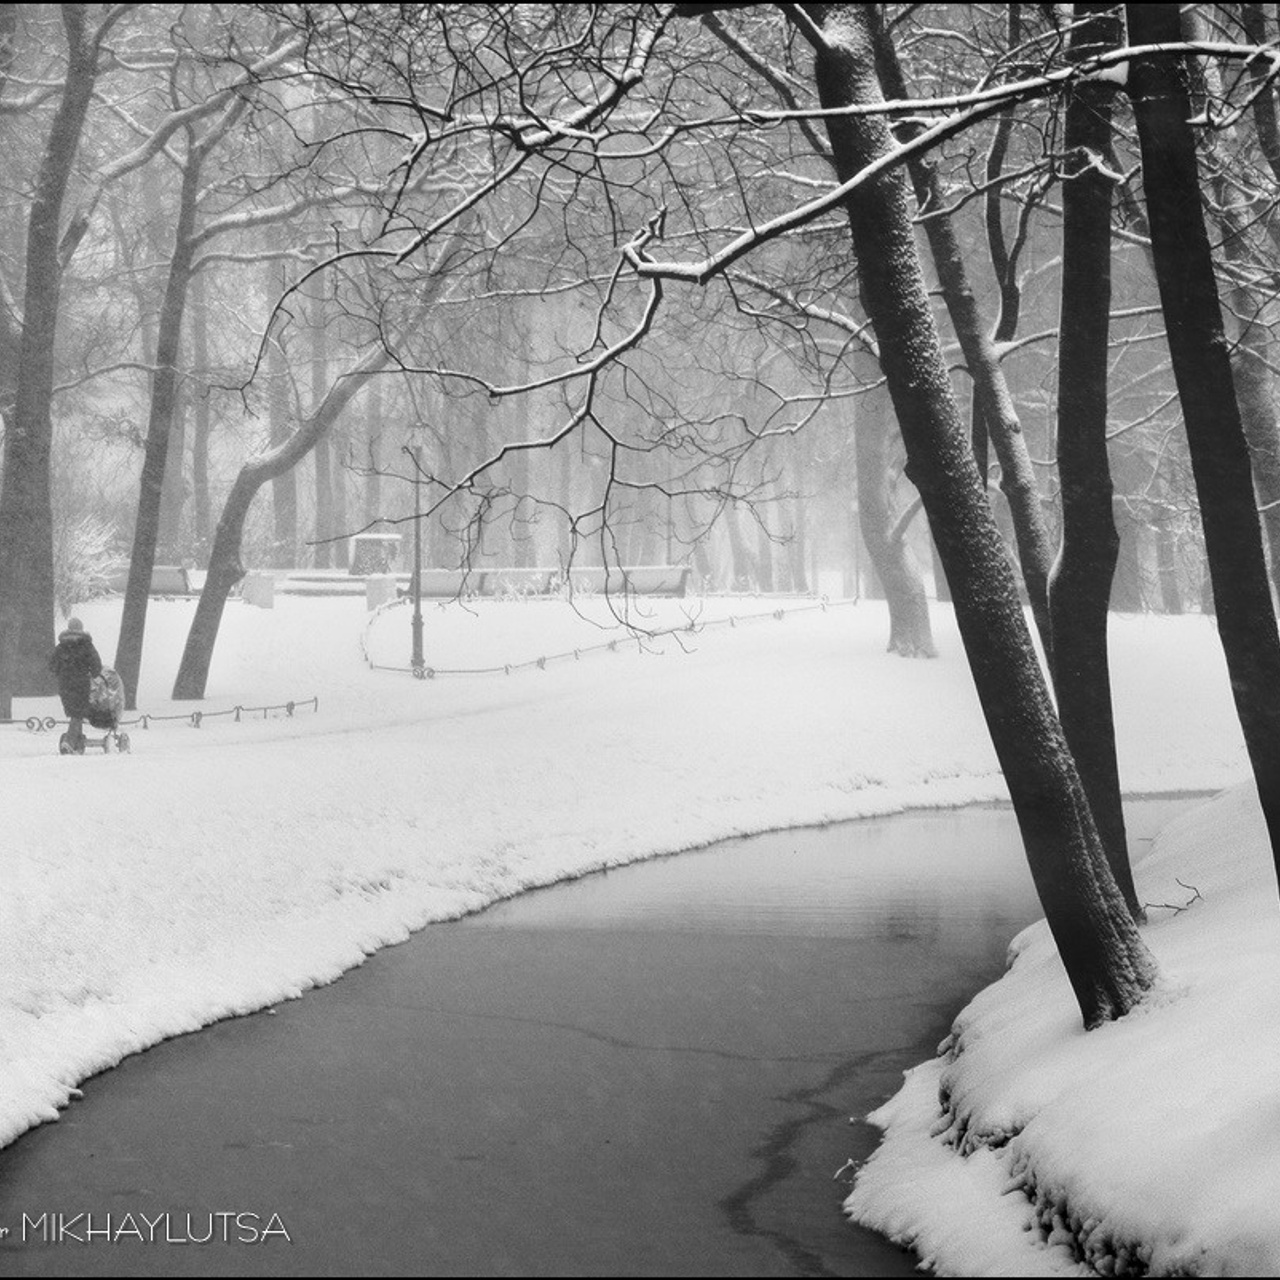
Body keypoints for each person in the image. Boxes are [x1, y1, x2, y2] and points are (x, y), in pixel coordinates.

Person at [49, 617, 103, 753]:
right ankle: (70, 741)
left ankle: (77, 742)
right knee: (78, 713)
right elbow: (96, 664)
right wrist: (93, 673)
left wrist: (61, 672)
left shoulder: (61, 646)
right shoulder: (86, 645)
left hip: (64, 683)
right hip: (81, 682)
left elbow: (52, 665)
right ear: (81, 628)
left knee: (74, 712)